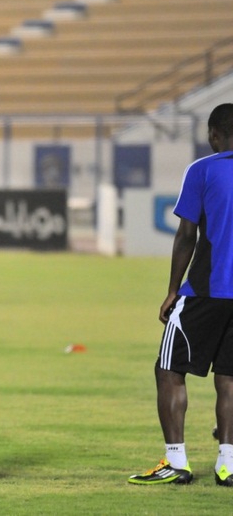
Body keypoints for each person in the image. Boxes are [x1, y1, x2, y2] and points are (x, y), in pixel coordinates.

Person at [128, 103, 233, 487]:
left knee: (168, 370)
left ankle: (176, 462)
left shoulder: (203, 170)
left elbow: (186, 235)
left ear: (214, 135)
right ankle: (228, 465)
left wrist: (172, 290)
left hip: (207, 290)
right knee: (230, 377)